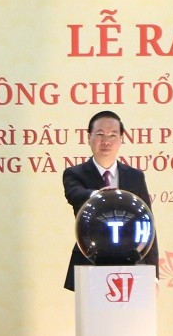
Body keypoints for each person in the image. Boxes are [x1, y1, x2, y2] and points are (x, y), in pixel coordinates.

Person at [63, 110, 157, 291]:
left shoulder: (135, 177)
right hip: (89, 260)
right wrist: (98, 195)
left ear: (121, 139)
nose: (106, 140)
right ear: (89, 137)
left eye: (113, 135)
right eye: (100, 134)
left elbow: (148, 225)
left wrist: (154, 275)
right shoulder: (74, 174)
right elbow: (74, 194)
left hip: (132, 263)